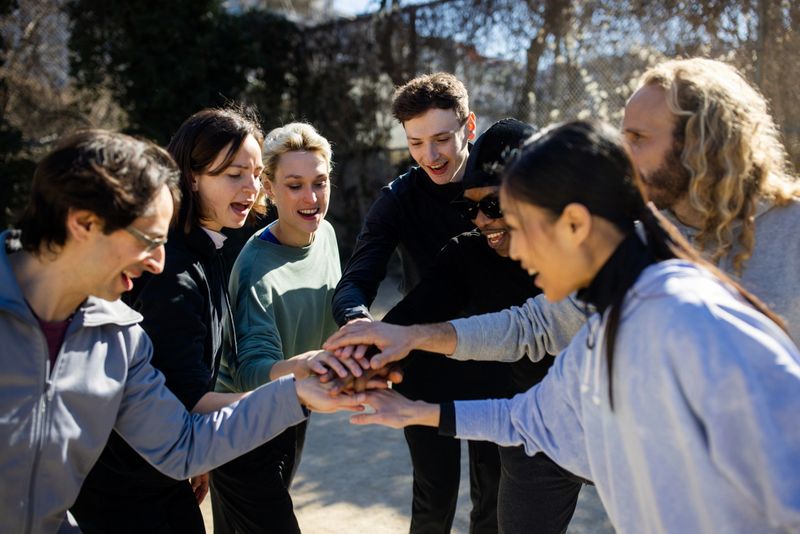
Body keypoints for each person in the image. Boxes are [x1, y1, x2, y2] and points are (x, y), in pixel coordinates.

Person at [343, 121, 800, 533]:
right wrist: (410, 411)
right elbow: (529, 419)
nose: (516, 252)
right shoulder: (605, 327)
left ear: (576, 223)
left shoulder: (688, 317)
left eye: (522, 227)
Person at [325, 57, 799, 372]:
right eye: (415, 143)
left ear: (702, 140)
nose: (620, 151)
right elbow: (539, 325)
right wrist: (398, 336)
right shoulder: (641, 238)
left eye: (637, 139)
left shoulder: (789, 229)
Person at [0, 129, 367, 534]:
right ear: (84, 223)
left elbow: (181, 444)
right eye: (148, 240)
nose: (158, 262)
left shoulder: (122, 339)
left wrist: (297, 392)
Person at [72, 107, 338, 533]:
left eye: (254, 174)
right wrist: (299, 392)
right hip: (129, 489)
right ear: (191, 177)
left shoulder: (207, 244)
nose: (251, 188)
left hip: (171, 466)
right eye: (234, 174)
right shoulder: (174, 271)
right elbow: (187, 406)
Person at [381, 118, 584, 534]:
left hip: (613, 431)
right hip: (531, 431)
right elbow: (413, 317)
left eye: (492, 205)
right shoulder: (469, 254)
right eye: (468, 207)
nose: (480, 219)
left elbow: (532, 326)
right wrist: (356, 356)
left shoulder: (606, 259)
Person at [332, 72, 497, 533]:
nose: (431, 155)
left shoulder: (502, 185)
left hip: (499, 356)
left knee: (496, 499)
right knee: (434, 494)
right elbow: (355, 282)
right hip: (424, 359)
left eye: (442, 138)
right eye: (416, 142)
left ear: (469, 126)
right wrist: (358, 322)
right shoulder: (398, 198)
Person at [210, 122, 351, 534]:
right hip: (241, 423)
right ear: (268, 187)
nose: (311, 198)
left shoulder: (324, 233)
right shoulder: (255, 269)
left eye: (319, 183)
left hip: (294, 405)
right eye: (294, 185)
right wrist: (312, 365)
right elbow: (250, 372)